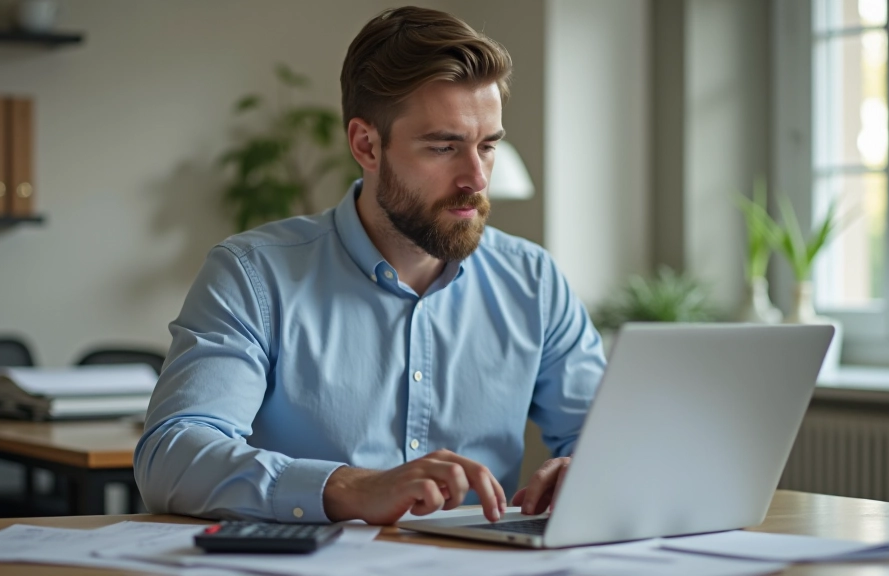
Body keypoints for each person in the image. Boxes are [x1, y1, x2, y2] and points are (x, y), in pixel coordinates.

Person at [134, 6, 606, 526]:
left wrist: (590, 469)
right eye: (444, 147)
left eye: (488, 146)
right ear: (366, 144)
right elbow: (170, 457)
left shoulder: (533, 281)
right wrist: (348, 487)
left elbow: (604, 435)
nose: (476, 177)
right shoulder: (253, 276)